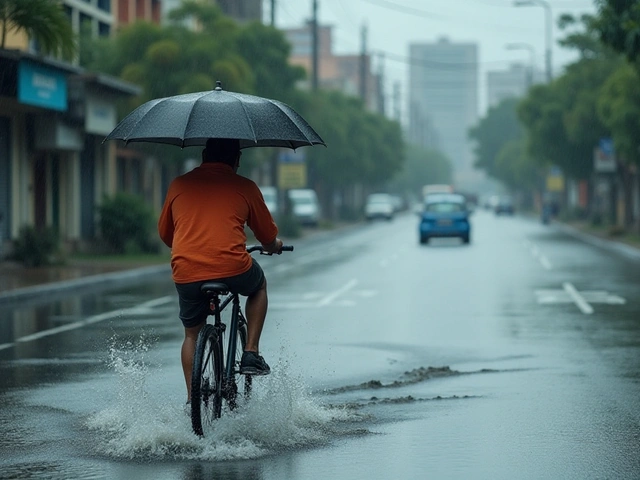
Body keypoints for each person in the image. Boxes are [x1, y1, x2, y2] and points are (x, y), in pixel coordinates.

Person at [158, 138, 283, 402]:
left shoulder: (179, 184)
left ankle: (193, 400)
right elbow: (267, 236)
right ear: (237, 159)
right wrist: (274, 246)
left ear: (204, 155)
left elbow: (166, 234)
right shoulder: (245, 187)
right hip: (233, 268)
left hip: (186, 269)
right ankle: (251, 351)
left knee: (192, 334)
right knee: (258, 286)